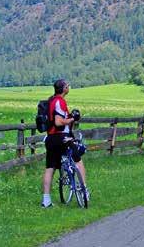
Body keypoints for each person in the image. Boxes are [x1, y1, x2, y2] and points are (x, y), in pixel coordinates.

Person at [42, 79, 88, 208]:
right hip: (62, 137)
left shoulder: (51, 100)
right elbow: (58, 122)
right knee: (78, 159)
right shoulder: (59, 101)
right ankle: (84, 190)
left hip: (50, 138)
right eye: (67, 86)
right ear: (63, 89)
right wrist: (73, 118)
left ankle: (46, 200)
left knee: (50, 167)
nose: (69, 87)